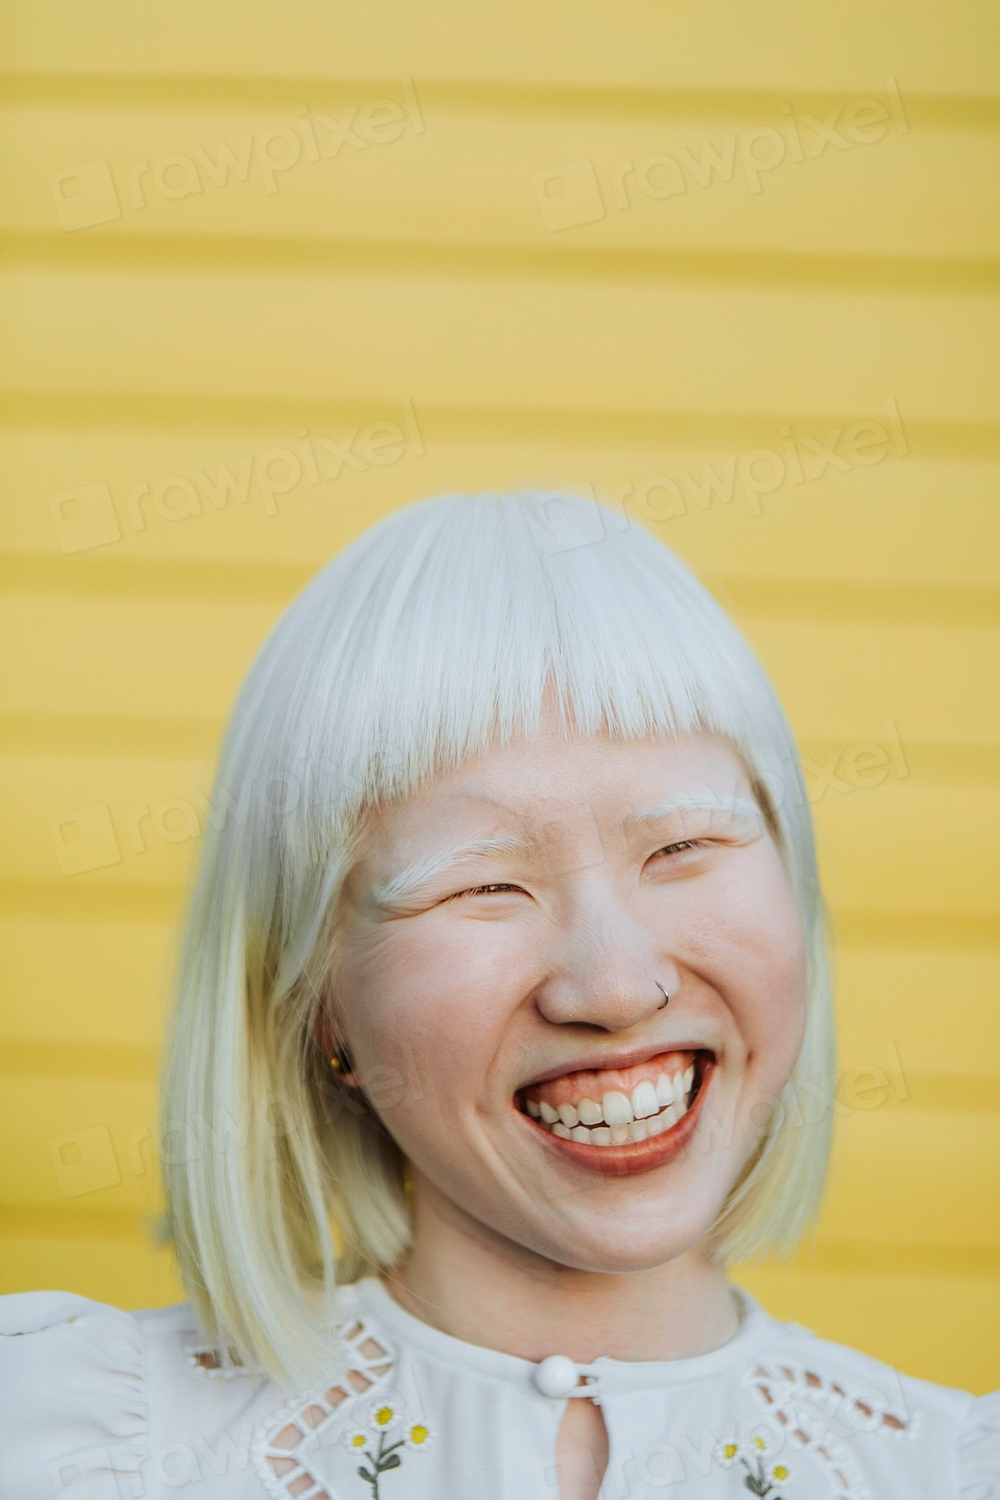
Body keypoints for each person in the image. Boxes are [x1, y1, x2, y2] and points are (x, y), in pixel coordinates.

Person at [2, 493, 996, 1500]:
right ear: (320, 1004)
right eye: (483, 886)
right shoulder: (76, 1450)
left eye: (683, 847)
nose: (615, 987)